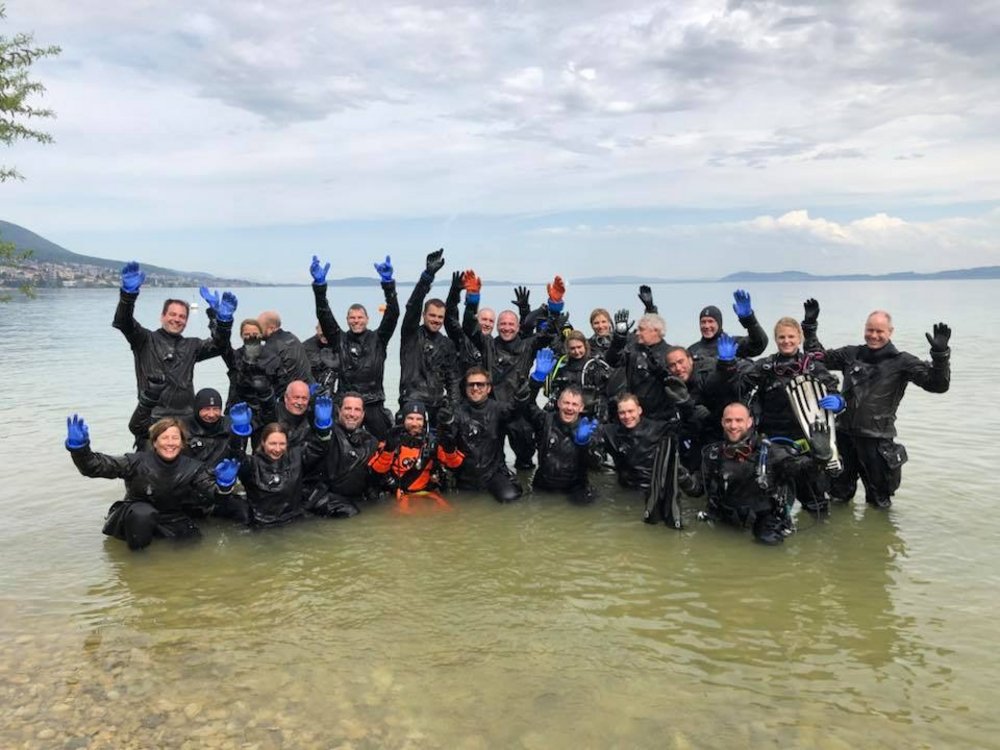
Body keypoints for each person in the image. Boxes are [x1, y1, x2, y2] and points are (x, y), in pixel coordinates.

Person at [802, 300, 951, 508]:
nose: (873, 335)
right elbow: (815, 358)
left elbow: (938, 385)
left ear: (890, 332)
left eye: (879, 331)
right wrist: (810, 328)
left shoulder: (902, 362)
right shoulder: (851, 354)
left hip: (878, 441)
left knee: (879, 502)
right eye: (869, 330)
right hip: (844, 435)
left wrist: (940, 356)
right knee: (838, 494)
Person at [717, 319, 843, 514]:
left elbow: (833, 389)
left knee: (814, 498)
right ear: (776, 339)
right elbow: (738, 387)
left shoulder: (814, 367)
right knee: (773, 499)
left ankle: (819, 537)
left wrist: (838, 401)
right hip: (773, 442)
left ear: (799, 337)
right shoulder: (766, 366)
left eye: (791, 336)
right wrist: (727, 365)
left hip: (809, 440)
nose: (786, 341)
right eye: (781, 337)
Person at [66, 414, 218, 550]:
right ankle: (137, 556)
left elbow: (211, 491)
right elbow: (95, 467)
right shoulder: (135, 461)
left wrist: (225, 485)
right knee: (143, 513)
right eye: (164, 438)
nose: (170, 443)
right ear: (155, 443)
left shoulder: (194, 468)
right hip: (135, 515)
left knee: (192, 546)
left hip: (173, 517)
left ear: (182, 443)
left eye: (175, 438)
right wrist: (80, 451)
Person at [700, 402, 836, 545]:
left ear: (749, 422)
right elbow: (697, 489)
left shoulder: (771, 453)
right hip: (727, 521)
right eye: (728, 421)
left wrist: (820, 459)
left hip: (764, 523)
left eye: (739, 420)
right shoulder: (713, 454)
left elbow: (803, 473)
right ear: (722, 422)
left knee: (768, 542)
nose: (733, 426)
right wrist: (682, 476)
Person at [113, 261, 235, 418]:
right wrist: (127, 296)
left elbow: (220, 346)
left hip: (187, 418)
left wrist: (222, 321)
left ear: (186, 321)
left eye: (182, 316)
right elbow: (124, 322)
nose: (177, 319)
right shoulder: (144, 339)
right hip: (153, 417)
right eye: (172, 314)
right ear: (162, 316)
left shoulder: (192, 345)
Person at [311, 254, 400, 438]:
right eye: (352, 318)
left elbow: (393, 314)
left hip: (373, 403)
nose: (356, 321)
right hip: (346, 403)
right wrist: (320, 288)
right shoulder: (339, 339)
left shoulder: (379, 338)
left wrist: (388, 284)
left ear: (367, 319)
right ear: (347, 320)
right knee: (336, 444)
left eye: (360, 317)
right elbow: (324, 316)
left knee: (386, 444)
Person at [215, 396, 334, 527]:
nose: (277, 449)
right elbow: (236, 455)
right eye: (272, 443)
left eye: (282, 444)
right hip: (262, 525)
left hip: (293, 521)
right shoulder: (252, 464)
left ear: (287, 444)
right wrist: (239, 433)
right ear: (263, 443)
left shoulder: (297, 457)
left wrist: (323, 428)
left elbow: (319, 448)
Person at [593, 391, 700, 526]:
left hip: (653, 492)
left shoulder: (658, 429)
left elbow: (690, 427)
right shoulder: (610, 432)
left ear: (639, 410)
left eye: (631, 411)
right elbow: (593, 441)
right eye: (622, 413)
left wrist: (686, 405)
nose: (627, 416)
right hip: (624, 492)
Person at [398, 249, 460, 423]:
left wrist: (454, 406)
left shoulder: (447, 344)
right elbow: (413, 307)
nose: (436, 320)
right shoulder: (410, 334)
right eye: (432, 316)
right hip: (412, 402)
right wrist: (426, 277)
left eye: (440, 317)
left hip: (437, 404)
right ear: (424, 315)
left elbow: (452, 378)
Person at [521, 372, 599, 505]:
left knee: (585, 506)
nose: (569, 408)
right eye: (566, 403)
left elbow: (595, 465)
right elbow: (526, 407)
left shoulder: (588, 427)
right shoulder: (545, 420)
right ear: (558, 403)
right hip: (544, 483)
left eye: (574, 404)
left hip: (574, 487)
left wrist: (584, 443)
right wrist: (535, 383)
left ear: (581, 408)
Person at [368, 402, 464, 507]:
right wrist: (388, 450)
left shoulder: (433, 443)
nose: (414, 423)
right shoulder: (392, 441)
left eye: (419, 419)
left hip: (426, 494)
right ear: (402, 420)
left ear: (425, 422)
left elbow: (454, 465)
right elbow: (377, 470)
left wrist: (449, 449)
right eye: (410, 418)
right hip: (398, 495)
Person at [451, 367, 523, 503]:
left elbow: (515, 411)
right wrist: (445, 424)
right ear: (465, 388)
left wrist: (522, 396)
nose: (476, 388)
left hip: (493, 474)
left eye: (480, 384)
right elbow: (447, 443)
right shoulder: (457, 412)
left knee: (511, 498)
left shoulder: (499, 409)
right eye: (471, 384)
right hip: (465, 476)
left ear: (488, 389)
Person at [303, 392, 379, 518]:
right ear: (339, 410)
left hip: (356, 498)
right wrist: (323, 430)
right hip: (322, 497)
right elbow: (312, 454)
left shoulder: (371, 441)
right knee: (350, 511)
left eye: (357, 410)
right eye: (348, 408)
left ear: (363, 414)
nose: (352, 414)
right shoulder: (328, 431)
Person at [535, 330, 612, 422]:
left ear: (585, 346)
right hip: (568, 414)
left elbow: (605, 393)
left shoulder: (595, 366)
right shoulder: (562, 368)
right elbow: (551, 393)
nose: (576, 351)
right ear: (567, 349)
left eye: (579, 347)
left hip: (590, 416)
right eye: (572, 348)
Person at [688, 290, 769, 362]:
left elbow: (759, 344)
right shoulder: (692, 350)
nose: (706, 326)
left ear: (719, 323)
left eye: (711, 321)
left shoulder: (733, 344)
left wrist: (749, 319)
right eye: (703, 322)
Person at [258, 309, 313, 393]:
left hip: (290, 396)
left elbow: (263, 379)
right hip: (307, 390)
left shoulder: (271, 347)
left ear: (271, 328)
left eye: (260, 327)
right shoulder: (292, 337)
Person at [302, 322, 340, 397]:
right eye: (322, 333)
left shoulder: (339, 345)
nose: (325, 336)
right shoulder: (306, 347)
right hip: (312, 390)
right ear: (317, 329)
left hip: (334, 392)